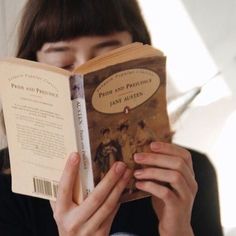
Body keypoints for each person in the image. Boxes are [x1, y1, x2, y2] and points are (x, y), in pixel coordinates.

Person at [0, 0, 223, 236]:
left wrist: (178, 230)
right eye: (63, 64)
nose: (85, 83)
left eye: (110, 59)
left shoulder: (188, 175)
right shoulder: (7, 189)